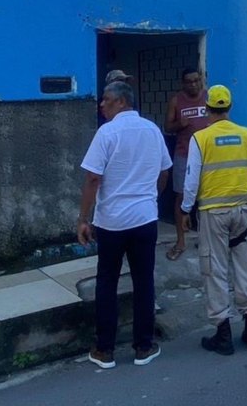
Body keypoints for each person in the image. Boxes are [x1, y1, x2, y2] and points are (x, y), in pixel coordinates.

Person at [77, 81, 172, 369]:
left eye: (106, 100)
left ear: (121, 102)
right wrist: (151, 198)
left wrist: (83, 218)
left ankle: (104, 350)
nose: (101, 105)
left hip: (112, 222)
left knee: (107, 282)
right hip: (144, 219)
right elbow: (165, 170)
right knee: (144, 281)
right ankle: (143, 346)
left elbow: (93, 179)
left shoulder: (107, 133)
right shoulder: (152, 130)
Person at [180, 85, 247, 355]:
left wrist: (185, 209)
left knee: (214, 270)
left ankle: (223, 334)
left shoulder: (200, 138)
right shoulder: (246, 134)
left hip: (213, 213)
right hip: (243, 212)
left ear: (207, 108)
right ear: (229, 108)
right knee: (246, 268)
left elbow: (192, 180)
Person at [163, 68, 209, 261]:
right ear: (183, 83)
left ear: (201, 80)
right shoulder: (176, 101)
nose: (193, 85)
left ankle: (206, 239)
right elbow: (167, 127)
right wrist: (178, 125)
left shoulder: (209, 97)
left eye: (196, 81)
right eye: (189, 82)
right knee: (181, 197)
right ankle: (181, 241)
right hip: (184, 155)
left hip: (208, 155)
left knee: (207, 197)